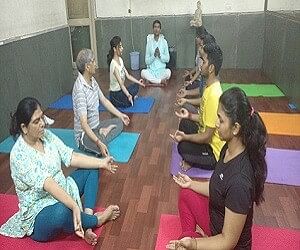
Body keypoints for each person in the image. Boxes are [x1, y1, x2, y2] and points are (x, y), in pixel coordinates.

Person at [0, 97, 121, 246]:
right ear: (24, 128)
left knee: (92, 168)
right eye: (36, 121)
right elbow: (48, 184)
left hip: (63, 189)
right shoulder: (19, 155)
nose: (42, 124)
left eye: (42, 117)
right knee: (62, 211)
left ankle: (87, 222)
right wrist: (74, 205)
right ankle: (97, 220)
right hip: (39, 214)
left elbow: (70, 156)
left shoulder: (46, 136)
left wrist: (102, 162)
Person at [167, 87, 268, 249]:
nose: (216, 123)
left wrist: (194, 244)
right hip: (216, 225)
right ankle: (189, 238)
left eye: (220, 120)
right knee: (186, 193)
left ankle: (189, 240)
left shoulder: (240, 182)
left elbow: (227, 242)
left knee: (187, 242)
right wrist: (191, 183)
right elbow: (218, 187)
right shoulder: (227, 149)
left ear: (235, 128)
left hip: (225, 242)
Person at [170, 43, 225, 171]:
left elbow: (207, 137)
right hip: (203, 134)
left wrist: (185, 137)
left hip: (212, 152)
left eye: (203, 61)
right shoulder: (209, 86)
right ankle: (192, 156)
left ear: (211, 68)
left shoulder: (214, 94)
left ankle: (193, 161)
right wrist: (188, 115)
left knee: (182, 147)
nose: (200, 64)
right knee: (185, 123)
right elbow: (204, 118)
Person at [72, 49, 130, 157]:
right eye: (93, 61)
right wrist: (98, 142)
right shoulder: (80, 89)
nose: (95, 64)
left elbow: (104, 100)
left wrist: (121, 115)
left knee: (119, 122)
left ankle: (102, 133)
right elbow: (84, 125)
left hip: (96, 127)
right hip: (84, 136)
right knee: (102, 150)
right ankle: (102, 136)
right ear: (87, 67)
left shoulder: (92, 81)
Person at [107, 36, 145, 108]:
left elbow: (128, 76)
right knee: (129, 103)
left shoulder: (120, 60)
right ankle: (129, 98)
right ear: (115, 49)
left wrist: (139, 82)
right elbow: (121, 84)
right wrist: (128, 95)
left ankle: (130, 97)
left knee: (135, 86)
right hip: (115, 94)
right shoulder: (113, 65)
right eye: (120, 47)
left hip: (121, 91)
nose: (122, 49)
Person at [141, 20, 171, 86]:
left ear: (160, 29)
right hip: (151, 71)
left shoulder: (164, 42)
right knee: (143, 72)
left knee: (168, 72)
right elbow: (146, 61)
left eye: (158, 27)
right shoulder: (149, 43)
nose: (156, 29)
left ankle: (152, 82)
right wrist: (154, 56)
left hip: (161, 71)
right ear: (153, 29)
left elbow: (167, 59)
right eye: (155, 27)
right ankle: (160, 82)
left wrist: (160, 55)